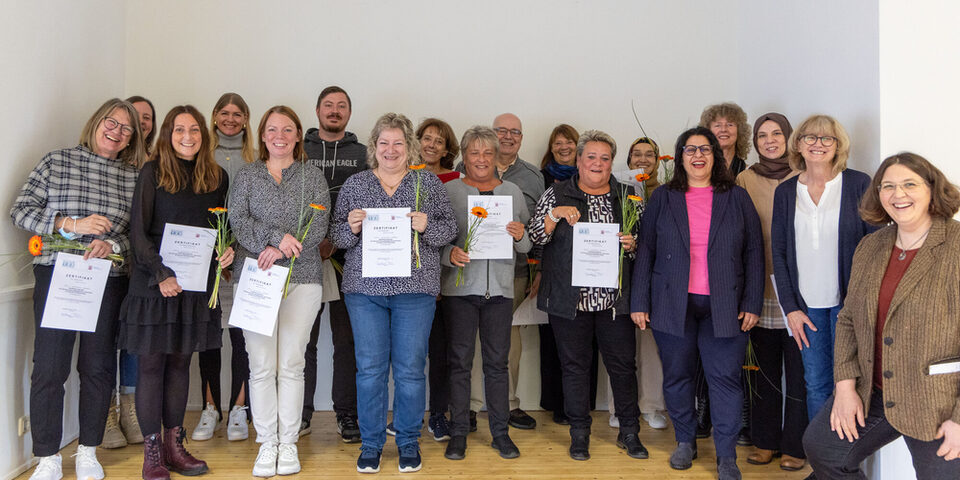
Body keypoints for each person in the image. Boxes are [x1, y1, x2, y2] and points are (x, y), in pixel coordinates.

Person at [803, 152, 960, 479]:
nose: (898, 194)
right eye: (888, 186)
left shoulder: (955, 246)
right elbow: (848, 319)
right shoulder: (871, 246)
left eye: (909, 184)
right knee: (823, 448)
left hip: (936, 400)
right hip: (874, 389)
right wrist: (845, 387)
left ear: (932, 189)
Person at [12, 98, 145, 480]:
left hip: (106, 280)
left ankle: (88, 451)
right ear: (95, 122)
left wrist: (113, 245)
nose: (117, 131)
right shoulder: (56, 162)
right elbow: (20, 210)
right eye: (111, 122)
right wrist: (71, 224)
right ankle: (48, 457)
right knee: (49, 368)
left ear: (131, 138)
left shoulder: (132, 177)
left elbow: (137, 235)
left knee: (98, 367)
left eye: (126, 128)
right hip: (56, 273)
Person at [631, 126, 764, 480]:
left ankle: (726, 457)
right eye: (690, 150)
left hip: (726, 304)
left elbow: (754, 251)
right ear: (680, 157)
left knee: (725, 381)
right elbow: (646, 249)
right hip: (671, 302)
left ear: (716, 157)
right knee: (677, 376)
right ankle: (685, 442)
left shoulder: (736, 197)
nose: (698, 156)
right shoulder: (663, 197)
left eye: (705, 149)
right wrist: (639, 300)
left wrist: (752, 301)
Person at [331, 113, 456, 473]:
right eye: (384, 143)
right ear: (374, 147)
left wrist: (427, 224)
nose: (390, 150)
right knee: (369, 370)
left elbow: (448, 230)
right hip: (365, 291)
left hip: (415, 290)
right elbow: (336, 237)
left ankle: (407, 441)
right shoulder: (356, 185)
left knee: (410, 370)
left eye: (398, 143)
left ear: (409, 148)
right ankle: (370, 444)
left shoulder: (427, 183)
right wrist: (351, 228)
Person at [118, 105, 232, 480]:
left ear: (204, 134)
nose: (187, 136)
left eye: (194, 130)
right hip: (155, 284)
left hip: (195, 288)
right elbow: (138, 233)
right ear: (168, 134)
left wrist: (225, 252)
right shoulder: (152, 173)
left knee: (182, 364)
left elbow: (219, 229)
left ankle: (174, 446)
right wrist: (162, 273)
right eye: (179, 129)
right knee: (153, 366)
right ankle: (152, 454)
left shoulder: (217, 177)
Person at [530, 129, 648, 462]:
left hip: (614, 303)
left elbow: (646, 245)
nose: (597, 163)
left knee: (624, 368)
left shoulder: (628, 196)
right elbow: (534, 239)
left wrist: (633, 244)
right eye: (591, 157)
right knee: (574, 369)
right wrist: (555, 216)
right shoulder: (556, 193)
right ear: (579, 160)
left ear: (612, 162)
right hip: (570, 303)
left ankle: (629, 432)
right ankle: (579, 434)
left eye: (605, 158)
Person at [230, 106, 330, 477]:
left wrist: (285, 247)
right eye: (272, 129)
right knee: (260, 366)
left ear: (298, 135)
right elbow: (238, 220)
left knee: (291, 363)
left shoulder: (312, 176)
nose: (280, 136)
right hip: (255, 279)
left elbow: (318, 222)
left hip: (302, 279)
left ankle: (288, 444)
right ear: (262, 134)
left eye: (288, 129)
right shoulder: (247, 176)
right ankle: (266, 443)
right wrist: (274, 240)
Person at [771, 114, 876, 422]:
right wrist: (790, 308)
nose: (818, 144)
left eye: (826, 138)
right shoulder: (786, 192)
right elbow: (778, 252)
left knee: (850, 385)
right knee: (816, 385)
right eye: (810, 138)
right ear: (799, 145)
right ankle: (824, 461)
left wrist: (860, 302)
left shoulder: (858, 183)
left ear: (838, 145)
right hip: (806, 309)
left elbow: (874, 247)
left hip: (848, 305)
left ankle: (846, 460)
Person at [441, 126, 531, 460]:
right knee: (459, 363)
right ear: (464, 155)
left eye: (488, 153)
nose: (481, 159)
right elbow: (436, 239)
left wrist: (521, 234)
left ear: (497, 157)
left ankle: (500, 433)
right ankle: (459, 432)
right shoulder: (449, 191)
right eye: (475, 152)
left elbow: (525, 245)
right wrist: (448, 254)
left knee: (497, 364)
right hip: (460, 290)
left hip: (501, 292)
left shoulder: (513, 191)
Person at [735, 113, 807, 471]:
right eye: (762, 135)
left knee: (797, 370)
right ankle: (764, 441)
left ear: (789, 137)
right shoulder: (744, 179)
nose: (770, 140)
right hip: (759, 284)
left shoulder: (805, 175)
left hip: (797, 287)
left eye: (776, 133)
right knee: (762, 368)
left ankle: (795, 444)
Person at [465, 113, 543, 431]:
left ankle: (508, 405)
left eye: (515, 132)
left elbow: (536, 227)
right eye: (502, 131)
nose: (508, 136)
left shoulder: (533, 177)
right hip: (469, 272)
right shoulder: (466, 173)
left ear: (521, 138)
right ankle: (469, 406)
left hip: (515, 271)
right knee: (470, 342)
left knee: (509, 343)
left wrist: (541, 270)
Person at [302, 86, 367, 442]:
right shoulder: (301, 150)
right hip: (306, 258)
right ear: (317, 110)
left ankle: (347, 415)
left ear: (349, 113)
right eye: (328, 105)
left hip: (349, 260)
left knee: (348, 343)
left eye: (342, 106)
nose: (335, 111)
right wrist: (316, 240)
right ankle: (302, 414)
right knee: (304, 341)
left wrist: (340, 238)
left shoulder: (363, 153)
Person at [192, 92, 257, 443]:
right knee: (209, 338)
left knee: (242, 338)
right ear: (214, 116)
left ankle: (238, 409)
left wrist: (235, 249)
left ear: (246, 118)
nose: (231, 119)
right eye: (224, 113)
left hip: (244, 261)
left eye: (238, 113)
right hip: (207, 262)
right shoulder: (202, 157)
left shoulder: (256, 160)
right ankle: (210, 407)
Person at [100, 96, 156, 451]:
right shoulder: (113, 161)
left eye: (145, 118)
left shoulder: (152, 165)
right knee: (102, 343)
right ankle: (106, 413)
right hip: (100, 268)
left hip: (139, 270)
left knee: (134, 343)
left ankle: (131, 411)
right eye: (132, 118)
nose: (138, 124)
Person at [606, 136, 668, 432]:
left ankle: (652, 406)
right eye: (636, 155)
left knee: (650, 348)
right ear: (628, 161)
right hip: (619, 278)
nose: (642, 159)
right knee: (618, 349)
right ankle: (619, 408)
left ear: (657, 161)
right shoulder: (615, 190)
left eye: (649, 155)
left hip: (654, 280)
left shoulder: (668, 193)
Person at [536, 124, 596, 426]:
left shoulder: (605, 188)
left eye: (569, 142)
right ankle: (558, 405)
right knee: (555, 346)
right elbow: (538, 231)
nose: (563, 147)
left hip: (594, 282)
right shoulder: (546, 181)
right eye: (557, 142)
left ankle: (582, 408)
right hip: (555, 277)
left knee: (586, 352)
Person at [416, 117, 460, 441]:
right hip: (412, 279)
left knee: (441, 353)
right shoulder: (402, 176)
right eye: (426, 138)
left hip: (448, 274)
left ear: (447, 149)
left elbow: (455, 231)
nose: (431, 144)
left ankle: (438, 414)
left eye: (438, 141)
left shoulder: (457, 180)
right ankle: (411, 414)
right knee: (411, 352)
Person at [700, 102, 751, 176]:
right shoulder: (699, 170)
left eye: (730, 125)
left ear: (740, 131)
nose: (723, 129)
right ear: (708, 131)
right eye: (717, 125)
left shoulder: (748, 173)